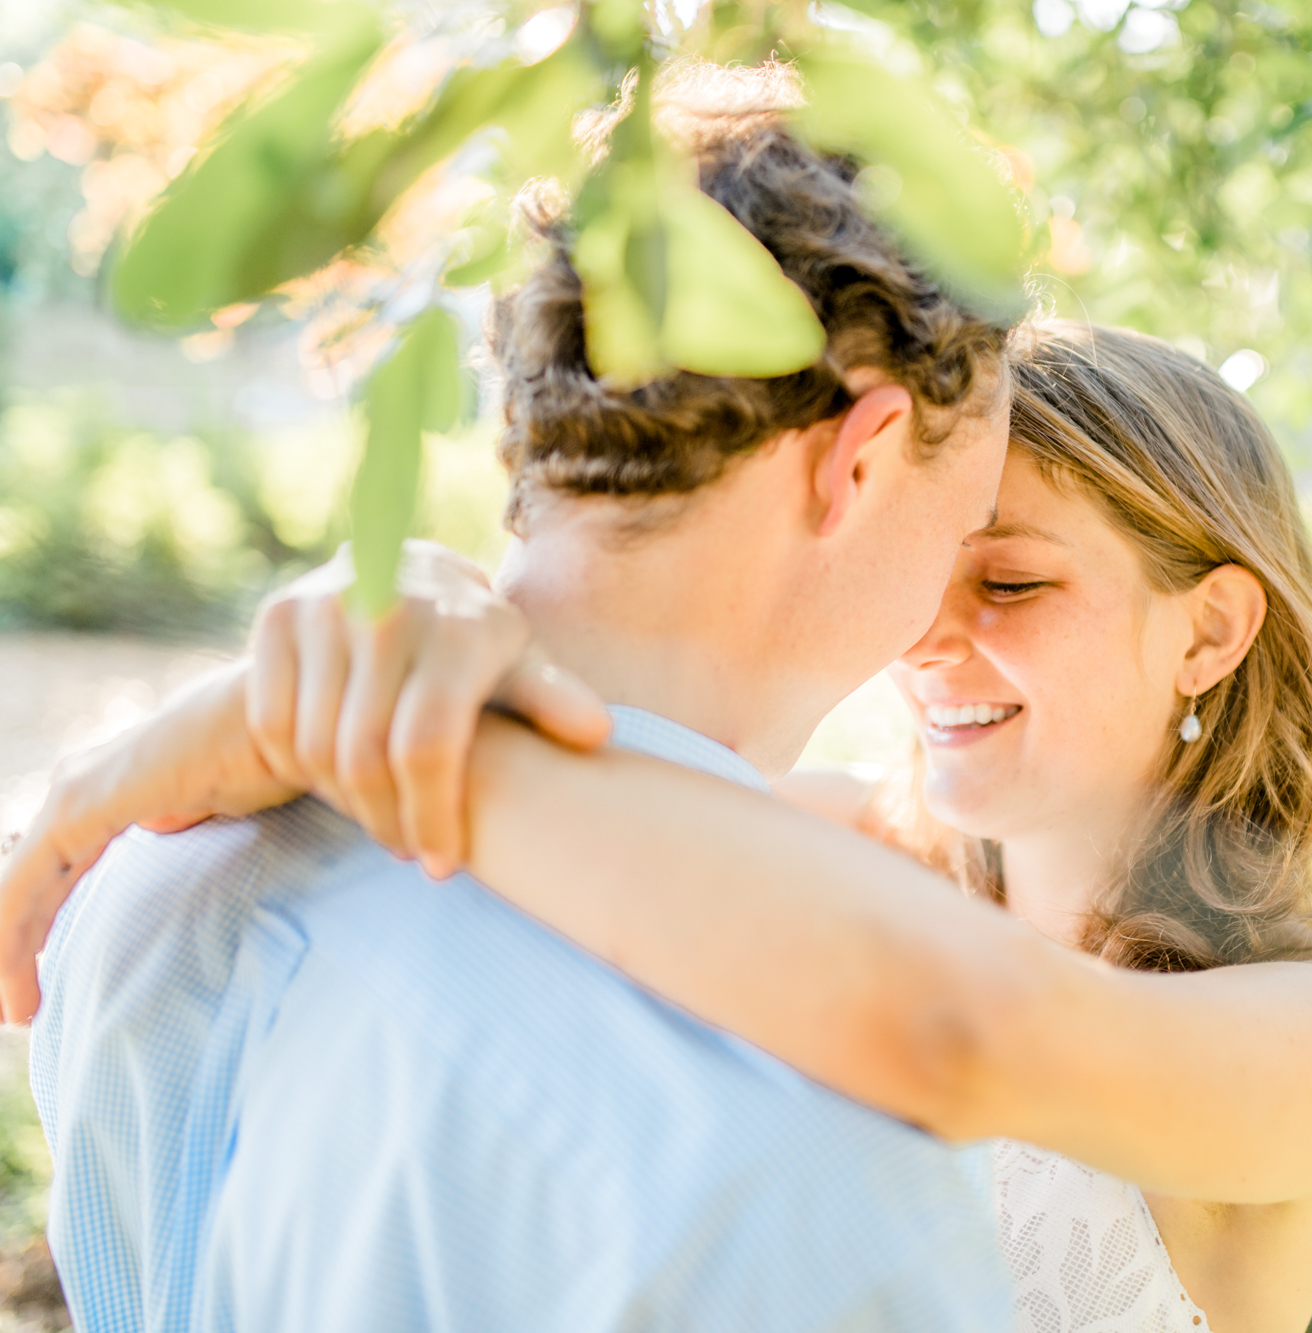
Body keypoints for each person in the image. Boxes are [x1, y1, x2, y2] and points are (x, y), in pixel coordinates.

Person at [2, 323, 1312, 1333]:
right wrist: (409, 614)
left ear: (1213, 630)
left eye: (1009, 587)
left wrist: (361, 721)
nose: (927, 642)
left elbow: (971, 1033)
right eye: (928, 572)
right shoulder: (813, 838)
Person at [0, 62, 1027, 1332]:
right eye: (967, 524)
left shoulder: (152, 864)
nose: (948, 599)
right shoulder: (814, 1133)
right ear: (859, 463)